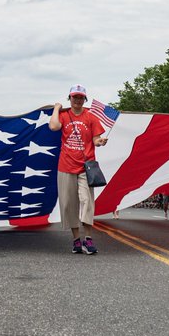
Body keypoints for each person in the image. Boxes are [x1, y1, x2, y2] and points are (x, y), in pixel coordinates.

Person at [49, 84, 108, 255]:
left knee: (87, 201)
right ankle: (76, 240)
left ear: (85, 99)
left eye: (81, 97)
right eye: (75, 97)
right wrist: (56, 108)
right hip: (66, 166)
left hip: (85, 166)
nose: (77, 100)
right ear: (70, 98)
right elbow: (53, 127)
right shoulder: (63, 115)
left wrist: (100, 142)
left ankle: (88, 239)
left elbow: (96, 139)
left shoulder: (90, 117)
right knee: (69, 204)